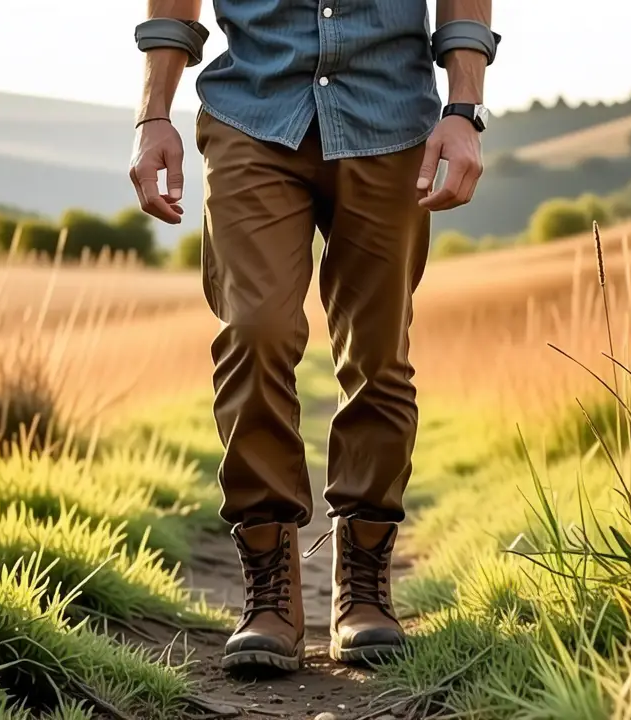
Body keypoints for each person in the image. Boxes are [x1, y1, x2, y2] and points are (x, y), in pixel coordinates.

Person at [129, 0, 498, 673]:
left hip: (391, 123)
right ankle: (269, 588)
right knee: (254, 330)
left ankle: (364, 581)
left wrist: (464, 108)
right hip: (254, 113)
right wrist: (154, 111)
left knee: (378, 352)